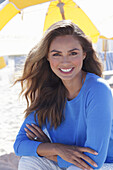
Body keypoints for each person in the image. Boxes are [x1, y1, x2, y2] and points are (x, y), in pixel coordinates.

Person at [13, 20, 113, 170]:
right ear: (47, 57)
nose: (65, 61)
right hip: (67, 161)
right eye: (56, 54)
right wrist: (57, 148)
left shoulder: (98, 89)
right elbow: (20, 145)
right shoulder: (48, 91)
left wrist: (47, 150)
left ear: (84, 54)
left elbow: (93, 161)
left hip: (104, 165)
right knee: (29, 161)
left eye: (73, 53)